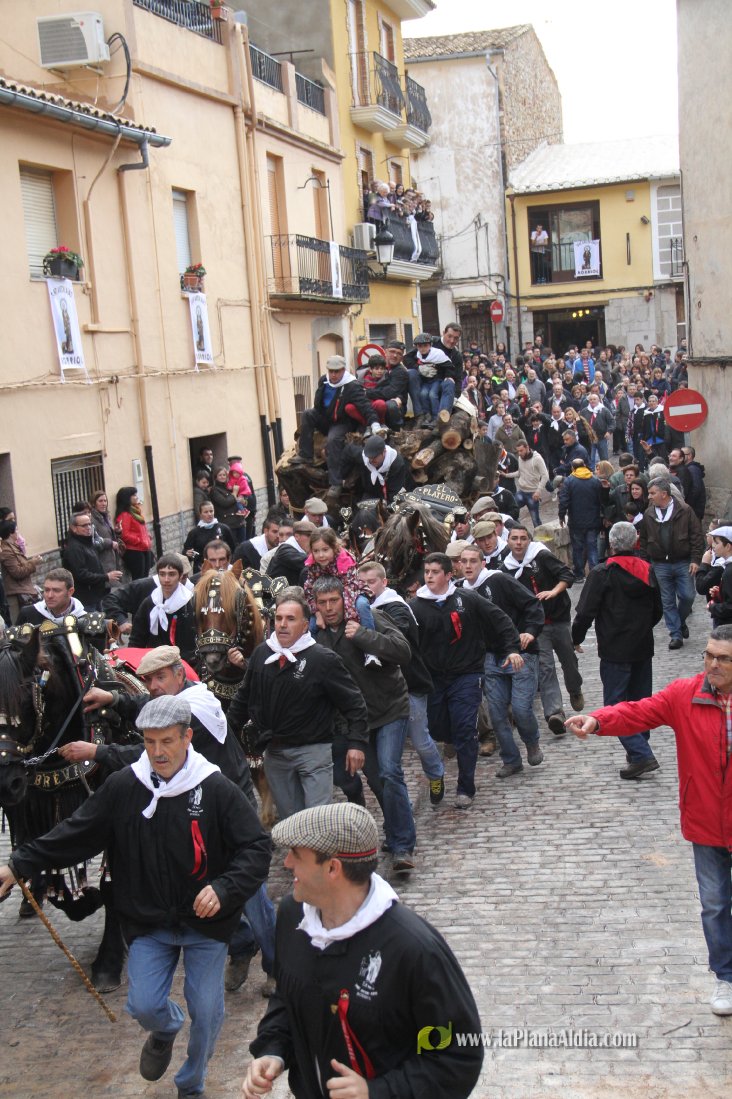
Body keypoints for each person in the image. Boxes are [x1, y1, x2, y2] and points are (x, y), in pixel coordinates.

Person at [0, 693, 272, 1097]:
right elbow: (77, 832)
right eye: (149, 742)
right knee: (144, 1005)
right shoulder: (125, 786)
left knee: (207, 1011)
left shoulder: (215, 788)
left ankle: (191, 1083)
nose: (157, 752)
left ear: (187, 737)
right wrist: (18, 864)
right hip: (148, 920)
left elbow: (256, 847)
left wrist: (224, 888)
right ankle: (165, 1028)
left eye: (167, 741)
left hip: (207, 925)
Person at [242, 802, 483, 1098]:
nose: (287, 863)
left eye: (296, 854)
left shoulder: (414, 949)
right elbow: (287, 995)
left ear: (333, 868)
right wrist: (273, 1049)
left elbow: (458, 1057)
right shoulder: (293, 916)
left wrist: (377, 1092)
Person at [566, 625, 732, 1017]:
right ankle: (726, 977)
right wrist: (598, 720)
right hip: (706, 820)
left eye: (723, 658)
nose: (713, 664)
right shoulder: (685, 695)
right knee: (714, 904)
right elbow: (638, 711)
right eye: (709, 655)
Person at [227, 589, 368, 819]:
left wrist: (357, 743)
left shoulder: (323, 659)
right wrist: (227, 735)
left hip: (313, 751)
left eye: (291, 619)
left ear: (304, 625)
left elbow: (354, 703)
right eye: (279, 618)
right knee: (291, 821)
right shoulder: (262, 654)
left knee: (316, 821)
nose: (283, 625)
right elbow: (244, 698)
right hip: (275, 753)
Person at [312, 577, 416, 871]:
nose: (329, 608)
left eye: (334, 601)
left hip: (389, 708)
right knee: (378, 779)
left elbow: (403, 651)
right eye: (322, 603)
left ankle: (403, 846)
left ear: (344, 599)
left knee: (390, 771)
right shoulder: (316, 635)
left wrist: (364, 636)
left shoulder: (368, 617)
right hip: (356, 722)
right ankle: (394, 828)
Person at [409, 553, 521, 808]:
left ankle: (465, 787)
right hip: (434, 679)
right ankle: (439, 768)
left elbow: (500, 620)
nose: (429, 576)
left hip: (466, 674)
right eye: (426, 572)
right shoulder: (415, 607)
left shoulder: (467, 599)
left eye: (435, 572)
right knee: (437, 729)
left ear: (449, 575)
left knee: (465, 730)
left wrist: (511, 649)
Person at [571, 521, 663, 778]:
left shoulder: (603, 573)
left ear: (611, 544)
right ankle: (638, 750)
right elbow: (658, 610)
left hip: (614, 649)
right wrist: (642, 628)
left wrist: (576, 638)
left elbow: (585, 612)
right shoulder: (648, 570)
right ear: (635, 542)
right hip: (642, 646)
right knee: (641, 703)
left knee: (614, 704)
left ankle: (641, 754)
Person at [357, 561, 446, 805]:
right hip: (379, 688)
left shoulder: (395, 607)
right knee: (388, 759)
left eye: (371, 582)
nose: (366, 587)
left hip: (409, 683)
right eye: (361, 583)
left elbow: (398, 636)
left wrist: (365, 631)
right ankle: (400, 802)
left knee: (419, 740)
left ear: (384, 582)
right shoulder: (356, 608)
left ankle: (435, 773)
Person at [460, 544, 544, 778]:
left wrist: (530, 631)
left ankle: (531, 741)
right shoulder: (459, 592)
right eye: (464, 561)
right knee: (496, 713)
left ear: (483, 563)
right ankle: (511, 759)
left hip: (520, 652)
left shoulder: (499, 580)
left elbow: (532, 603)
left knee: (520, 708)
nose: (468, 566)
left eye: (473, 561)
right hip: (489, 658)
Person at [502, 525, 583, 735]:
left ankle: (574, 689)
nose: (518, 543)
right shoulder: (506, 569)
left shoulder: (541, 556)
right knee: (546, 667)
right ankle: (555, 713)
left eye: (523, 538)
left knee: (569, 661)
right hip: (536, 626)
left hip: (558, 618)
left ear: (529, 540)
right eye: (514, 538)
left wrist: (553, 592)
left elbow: (567, 575)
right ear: (508, 541)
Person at [290, 356, 380, 498]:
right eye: (331, 371)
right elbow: (319, 404)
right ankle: (305, 455)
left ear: (343, 370)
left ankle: (336, 483)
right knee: (307, 413)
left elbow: (365, 406)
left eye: (337, 371)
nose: (333, 374)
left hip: (341, 422)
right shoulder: (323, 380)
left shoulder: (352, 385)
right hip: (325, 417)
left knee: (333, 440)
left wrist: (375, 423)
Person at [640, 476, 703, 649]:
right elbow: (644, 540)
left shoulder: (685, 510)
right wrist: (644, 563)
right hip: (660, 563)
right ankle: (675, 635)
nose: (649, 496)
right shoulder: (649, 513)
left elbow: (696, 536)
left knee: (688, 596)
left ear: (664, 494)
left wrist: (695, 559)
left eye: (652, 493)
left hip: (682, 561)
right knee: (667, 601)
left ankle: (680, 622)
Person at [302, 528, 377, 662]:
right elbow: (309, 589)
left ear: (334, 548)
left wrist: (350, 617)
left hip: (352, 592)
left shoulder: (345, 561)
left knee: (362, 605)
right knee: (312, 625)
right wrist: (317, 613)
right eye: (316, 551)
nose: (321, 555)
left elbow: (349, 590)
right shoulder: (313, 565)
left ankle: (371, 649)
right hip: (327, 597)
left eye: (325, 550)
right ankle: (307, 656)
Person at [129, 554, 197, 667]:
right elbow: (137, 639)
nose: (166, 580)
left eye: (172, 574)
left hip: (186, 664)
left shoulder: (191, 602)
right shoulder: (150, 603)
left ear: (180, 576)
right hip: (155, 664)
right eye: (162, 574)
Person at [62, 510, 122, 610]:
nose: (88, 527)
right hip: (85, 600)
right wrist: (106, 576)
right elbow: (81, 574)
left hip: (96, 596)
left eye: (89, 524)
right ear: (74, 528)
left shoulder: (87, 543)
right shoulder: (74, 548)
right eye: (84, 525)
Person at [558, 458, 603, 582]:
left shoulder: (569, 481)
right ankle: (594, 574)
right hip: (593, 520)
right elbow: (601, 500)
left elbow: (564, 500)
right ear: (585, 465)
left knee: (577, 548)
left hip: (576, 521)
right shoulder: (595, 480)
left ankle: (579, 574)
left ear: (573, 468)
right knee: (592, 547)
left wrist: (561, 516)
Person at [342, 434, 411, 505]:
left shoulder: (397, 464)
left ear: (384, 452)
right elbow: (348, 450)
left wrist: (387, 507)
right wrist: (343, 476)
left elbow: (395, 493)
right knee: (363, 509)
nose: (371, 460)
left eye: (374, 457)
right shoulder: (364, 457)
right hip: (371, 493)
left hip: (390, 496)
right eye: (369, 457)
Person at [0, 519, 43, 624]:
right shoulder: (6, 551)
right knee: (20, 625)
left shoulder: (13, 547)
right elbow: (17, 572)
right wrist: (33, 563)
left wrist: (31, 562)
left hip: (22, 591)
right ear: (11, 533)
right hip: (16, 594)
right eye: (16, 530)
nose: (18, 532)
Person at [17, 567, 84, 626]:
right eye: (46, 590)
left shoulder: (83, 619)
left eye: (56, 591)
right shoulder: (28, 614)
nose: (50, 595)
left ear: (70, 592)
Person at [696, 526, 732, 627]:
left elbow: (730, 606)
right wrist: (719, 593)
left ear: (728, 546)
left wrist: (712, 606)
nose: (713, 545)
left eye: (716, 543)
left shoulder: (729, 571)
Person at [115, 487, 153, 581]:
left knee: (145, 578)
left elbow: (139, 530)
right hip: (134, 551)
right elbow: (124, 534)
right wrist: (140, 540)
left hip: (144, 549)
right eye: (134, 495)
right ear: (127, 498)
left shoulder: (135, 512)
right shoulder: (125, 515)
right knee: (139, 579)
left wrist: (147, 537)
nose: (137, 497)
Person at [267, 519, 316, 586]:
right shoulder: (285, 551)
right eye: (308, 535)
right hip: (275, 592)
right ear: (297, 536)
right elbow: (308, 562)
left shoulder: (297, 549)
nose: (312, 539)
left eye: (314, 536)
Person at [513, 440, 549, 528]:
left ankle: (540, 535)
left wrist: (538, 491)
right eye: (518, 451)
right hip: (521, 492)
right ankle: (518, 530)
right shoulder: (520, 458)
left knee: (535, 520)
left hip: (533, 493)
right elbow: (519, 473)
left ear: (527, 448)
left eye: (521, 450)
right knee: (512, 511)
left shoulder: (537, 459)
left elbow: (545, 476)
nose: (519, 453)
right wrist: (506, 475)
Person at [210, 465, 248, 545]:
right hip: (228, 524)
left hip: (240, 521)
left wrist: (243, 501)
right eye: (220, 475)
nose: (222, 477)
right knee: (232, 547)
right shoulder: (215, 490)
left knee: (243, 546)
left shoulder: (230, 486)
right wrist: (234, 493)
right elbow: (225, 502)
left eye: (224, 475)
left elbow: (242, 499)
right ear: (216, 477)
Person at [89, 490, 121, 575]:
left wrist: (116, 531)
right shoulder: (91, 519)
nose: (104, 504)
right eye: (100, 501)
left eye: (105, 501)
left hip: (112, 557)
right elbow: (93, 540)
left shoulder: (107, 516)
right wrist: (109, 543)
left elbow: (108, 534)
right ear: (94, 503)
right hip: (101, 559)